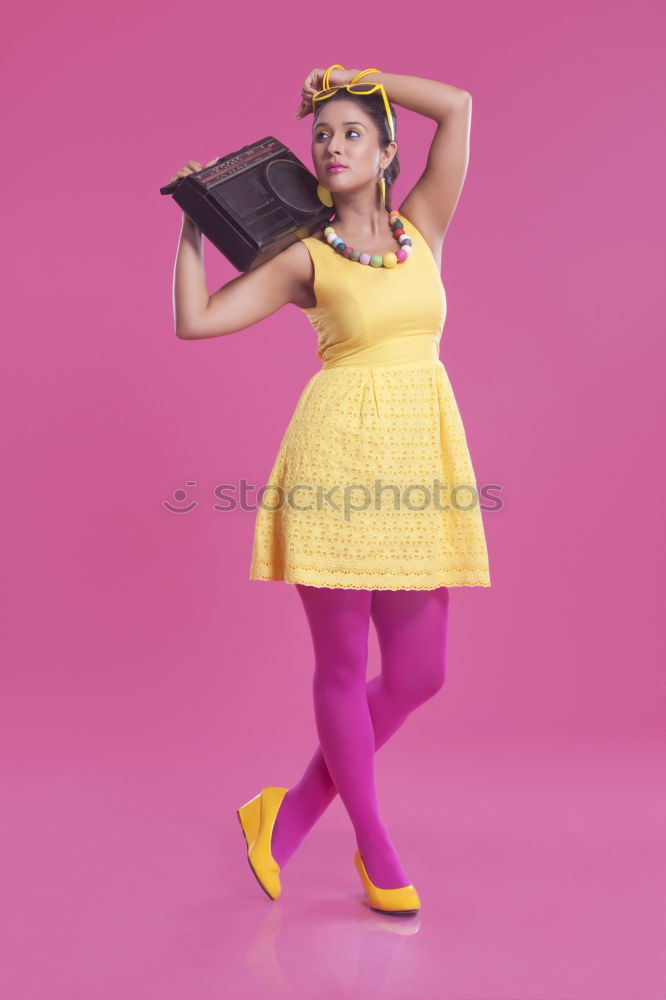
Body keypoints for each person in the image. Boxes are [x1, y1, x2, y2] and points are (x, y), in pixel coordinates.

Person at [169, 65, 491, 916]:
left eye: (353, 132)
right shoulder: (305, 260)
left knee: (419, 673)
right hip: (335, 464)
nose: (333, 144)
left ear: (387, 153)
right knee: (343, 669)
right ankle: (375, 845)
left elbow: (457, 107)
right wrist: (196, 228)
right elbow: (196, 321)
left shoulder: (423, 228)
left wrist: (366, 77)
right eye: (322, 134)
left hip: (419, 462)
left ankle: (291, 811)